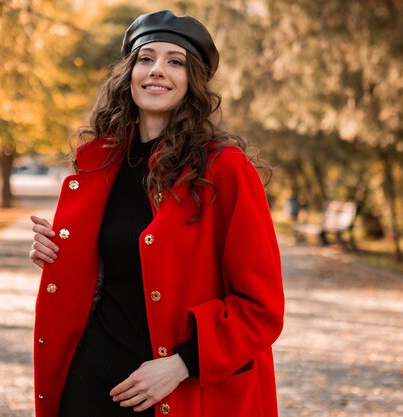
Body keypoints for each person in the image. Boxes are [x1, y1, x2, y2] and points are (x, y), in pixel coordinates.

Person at [28, 10, 284, 417]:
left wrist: (182, 363)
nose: (157, 71)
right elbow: (109, 270)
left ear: (192, 81)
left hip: (181, 393)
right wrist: (58, 253)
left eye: (175, 61)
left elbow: (262, 308)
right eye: (146, 58)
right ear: (129, 73)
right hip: (93, 382)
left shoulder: (224, 170)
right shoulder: (101, 164)